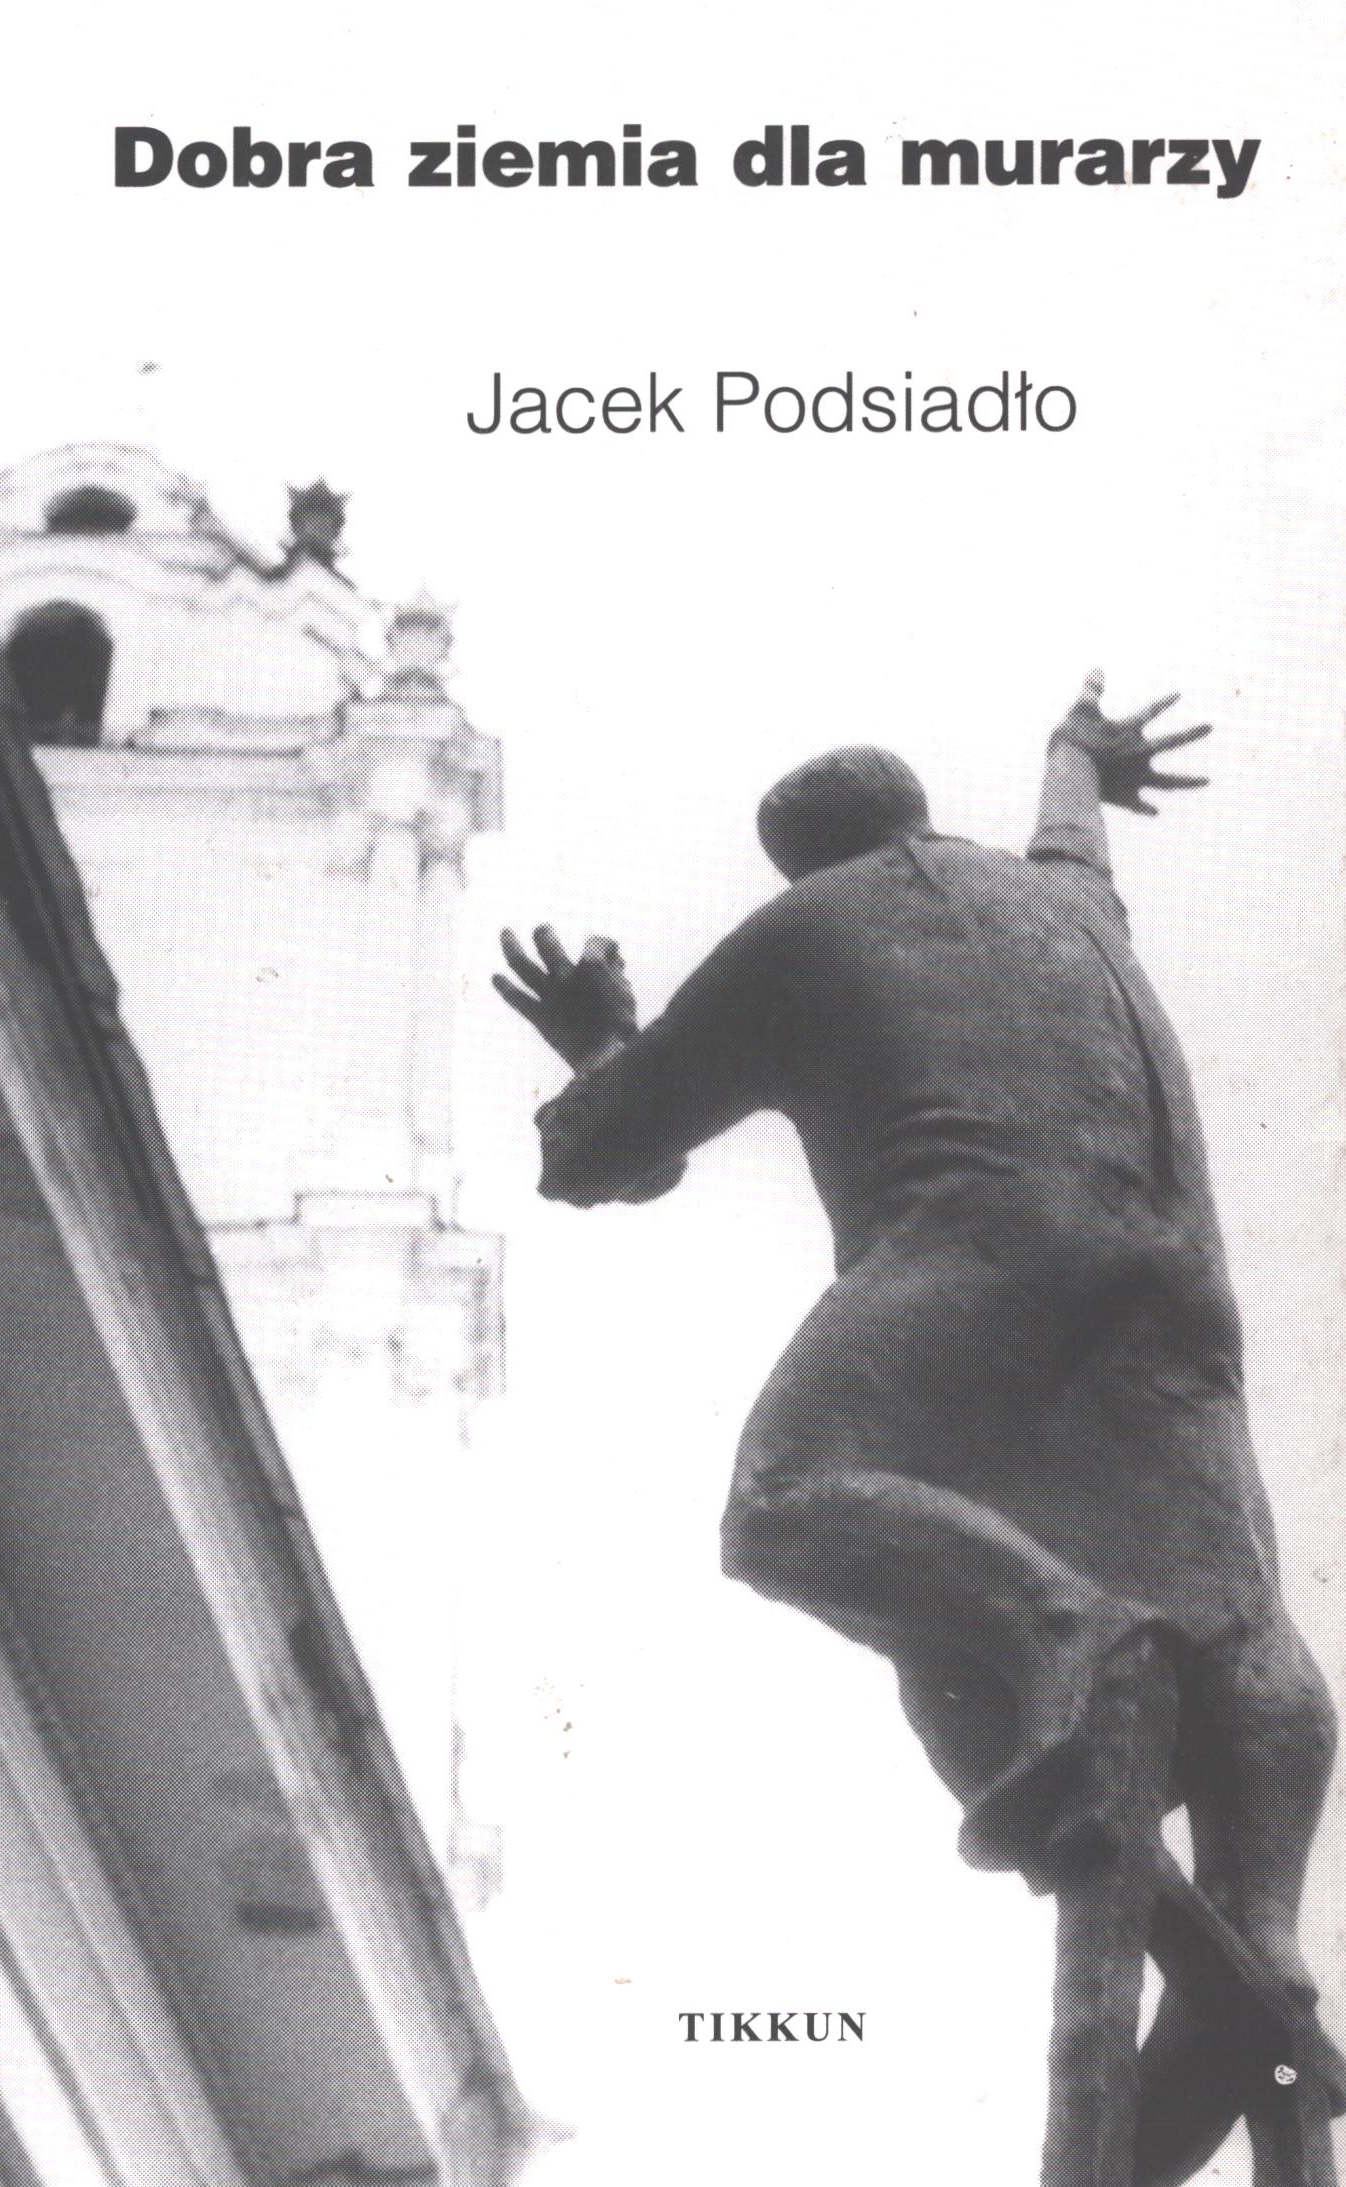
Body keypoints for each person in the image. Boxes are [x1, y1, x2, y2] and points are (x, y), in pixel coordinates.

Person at [494, 673, 1336, 2146]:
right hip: (1171, 1299)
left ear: (799, 856)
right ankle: (1261, 1949)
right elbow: (1073, 832)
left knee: (783, 1512)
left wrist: (598, 1035)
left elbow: (603, 1151)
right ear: (916, 811)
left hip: (980, 1244)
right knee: (1231, 1624)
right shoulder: (1065, 904)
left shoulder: (805, 927)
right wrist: (1077, 755)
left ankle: (1067, 1631)